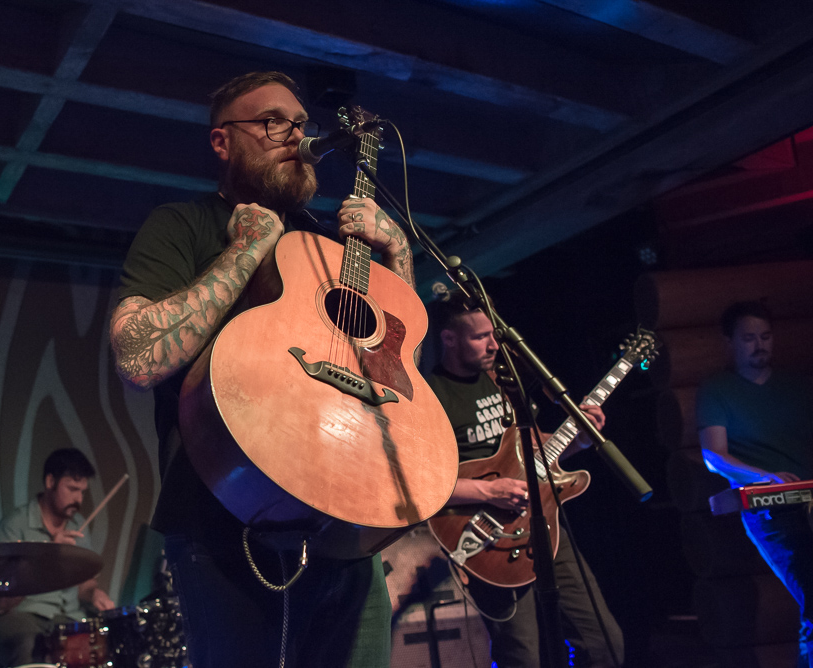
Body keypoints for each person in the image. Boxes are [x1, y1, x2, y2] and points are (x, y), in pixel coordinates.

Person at [109, 71, 414, 667]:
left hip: (345, 525)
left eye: (300, 123)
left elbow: (398, 380)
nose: (295, 136)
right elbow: (138, 359)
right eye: (273, 122)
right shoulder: (182, 224)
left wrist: (398, 254)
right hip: (225, 525)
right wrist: (245, 248)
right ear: (222, 141)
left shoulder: (332, 248)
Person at [426, 291, 624, 667]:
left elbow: (532, 449)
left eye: (494, 334)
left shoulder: (503, 380)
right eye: (479, 336)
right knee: (522, 657)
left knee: (603, 644)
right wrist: (489, 490)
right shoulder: (432, 395)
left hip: (544, 527)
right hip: (486, 537)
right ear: (449, 338)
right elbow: (419, 481)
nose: (493, 344)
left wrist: (579, 439)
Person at [697, 301, 813, 666]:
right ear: (729, 342)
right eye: (749, 338)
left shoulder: (798, 386)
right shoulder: (717, 390)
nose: (759, 345)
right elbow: (714, 456)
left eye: (765, 336)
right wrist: (764, 477)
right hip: (771, 510)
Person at [0, 448, 115, 668]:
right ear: (50, 481)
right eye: (72, 489)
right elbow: (0, 603)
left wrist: (94, 593)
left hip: (68, 618)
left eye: (82, 492)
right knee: (29, 643)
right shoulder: (15, 526)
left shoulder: (78, 526)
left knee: (105, 642)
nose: (78, 499)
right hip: (21, 616)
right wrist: (46, 557)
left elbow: (84, 583)